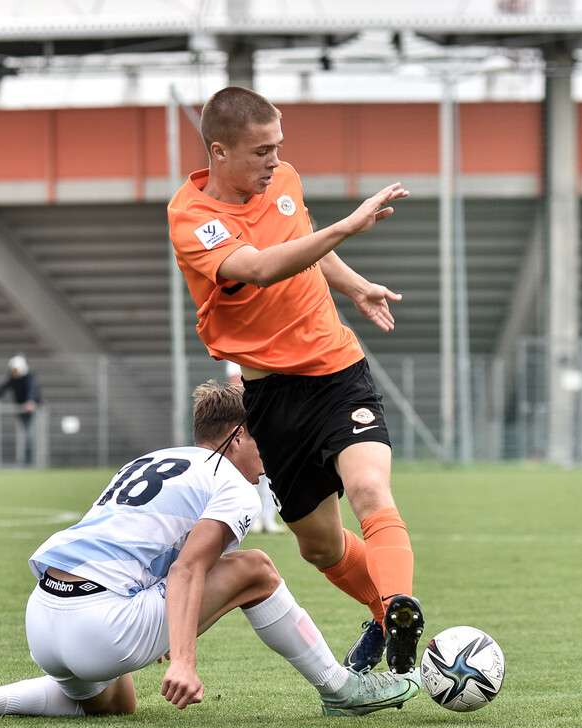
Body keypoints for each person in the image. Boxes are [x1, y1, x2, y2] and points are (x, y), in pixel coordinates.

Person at [0, 380, 421, 720]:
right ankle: (339, 689)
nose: (271, 456)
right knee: (257, 569)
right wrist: (185, 662)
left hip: (44, 616)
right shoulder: (231, 484)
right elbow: (190, 570)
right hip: (101, 624)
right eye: (263, 441)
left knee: (117, 701)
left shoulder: (154, 459)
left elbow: (154, 554)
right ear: (236, 436)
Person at [167, 86, 424, 675]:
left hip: (338, 373)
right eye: (261, 152)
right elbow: (258, 267)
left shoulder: (283, 182)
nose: (275, 162)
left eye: (279, 148)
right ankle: (386, 613)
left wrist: (354, 284)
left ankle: (401, 607)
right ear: (220, 153)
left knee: (369, 492)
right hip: (273, 398)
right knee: (320, 547)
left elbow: (300, 243)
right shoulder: (193, 218)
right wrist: (346, 228)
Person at [225, 360, 284, 533]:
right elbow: (236, 383)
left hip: (273, 413)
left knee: (272, 467)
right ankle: (253, 518)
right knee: (252, 465)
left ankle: (268, 519)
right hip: (251, 415)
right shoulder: (237, 353)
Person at [0, 354, 41, 466]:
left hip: (32, 412)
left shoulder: (29, 377)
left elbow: (32, 390)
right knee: (26, 436)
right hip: (21, 411)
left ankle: (30, 462)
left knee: (30, 436)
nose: (15, 372)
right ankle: (25, 462)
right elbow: (1, 390)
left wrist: (30, 401)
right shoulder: (13, 379)